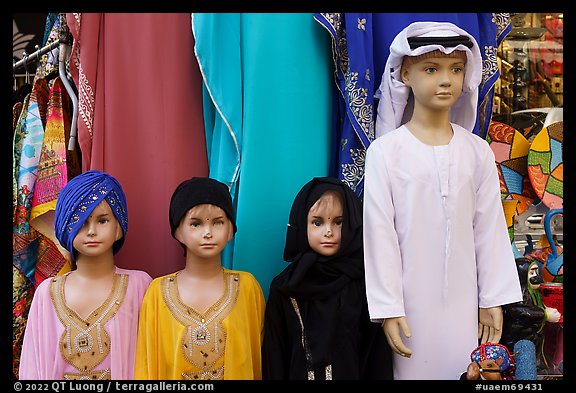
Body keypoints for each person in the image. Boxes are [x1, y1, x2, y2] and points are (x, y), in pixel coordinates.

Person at [363, 21, 523, 379]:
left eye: (456, 69)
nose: (446, 80)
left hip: (467, 304)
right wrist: (389, 306)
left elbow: (489, 229)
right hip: (410, 306)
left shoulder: (477, 151)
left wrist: (492, 298)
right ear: (405, 72)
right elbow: (379, 237)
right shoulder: (385, 152)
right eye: (431, 69)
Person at [18, 170, 152, 380]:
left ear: (118, 227)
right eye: (81, 220)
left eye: (102, 220)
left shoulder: (140, 286)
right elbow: (32, 370)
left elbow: (153, 362)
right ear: (65, 227)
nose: (91, 231)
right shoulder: (47, 293)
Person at [134, 177, 265, 380]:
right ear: (178, 231)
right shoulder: (157, 293)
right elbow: (146, 367)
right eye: (196, 224)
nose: (208, 232)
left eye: (218, 222)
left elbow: (258, 360)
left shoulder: (247, 288)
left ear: (231, 229)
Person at [262, 177, 393, 380]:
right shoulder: (285, 287)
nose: (329, 231)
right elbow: (275, 354)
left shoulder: (364, 285)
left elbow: (375, 355)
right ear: (301, 224)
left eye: (339, 222)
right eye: (317, 222)